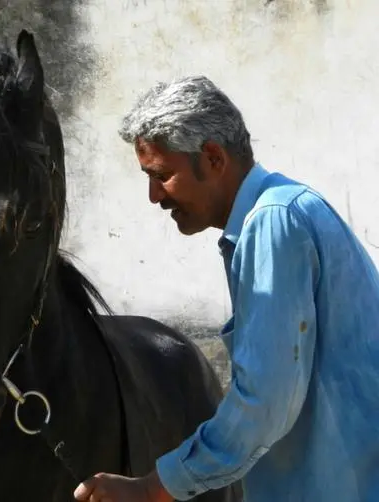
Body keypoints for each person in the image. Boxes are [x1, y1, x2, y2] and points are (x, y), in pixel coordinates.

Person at [73, 75, 379, 501]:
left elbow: (263, 405)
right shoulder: (288, 208)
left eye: (161, 175)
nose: (153, 195)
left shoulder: (274, 223)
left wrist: (152, 489)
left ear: (214, 158)